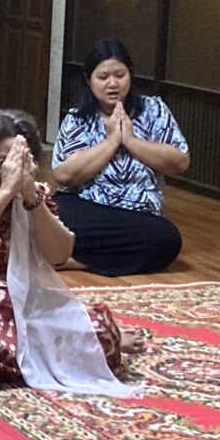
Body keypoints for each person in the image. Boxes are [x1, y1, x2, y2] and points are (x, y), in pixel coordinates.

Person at [0, 109, 143, 383]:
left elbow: (59, 255)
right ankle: (49, 356)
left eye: (21, 162)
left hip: (23, 305)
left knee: (102, 334)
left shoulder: (35, 193)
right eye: (3, 163)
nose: (12, 171)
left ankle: (31, 355)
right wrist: (5, 193)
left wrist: (30, 196)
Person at [51, 39, 190, 276]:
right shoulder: (78, 118)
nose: (113, 83)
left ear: (131, 75)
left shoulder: (154, 110)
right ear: (88, 80)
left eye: (120, 75)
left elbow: (180, 162)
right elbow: (64, 174)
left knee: (167, 239)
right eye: (103, 77)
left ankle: (76, 260)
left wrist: (131, 141)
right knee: (51, 215)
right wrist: (111, 142)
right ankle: (105, 256)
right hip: (87, 208)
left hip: (138, 214)